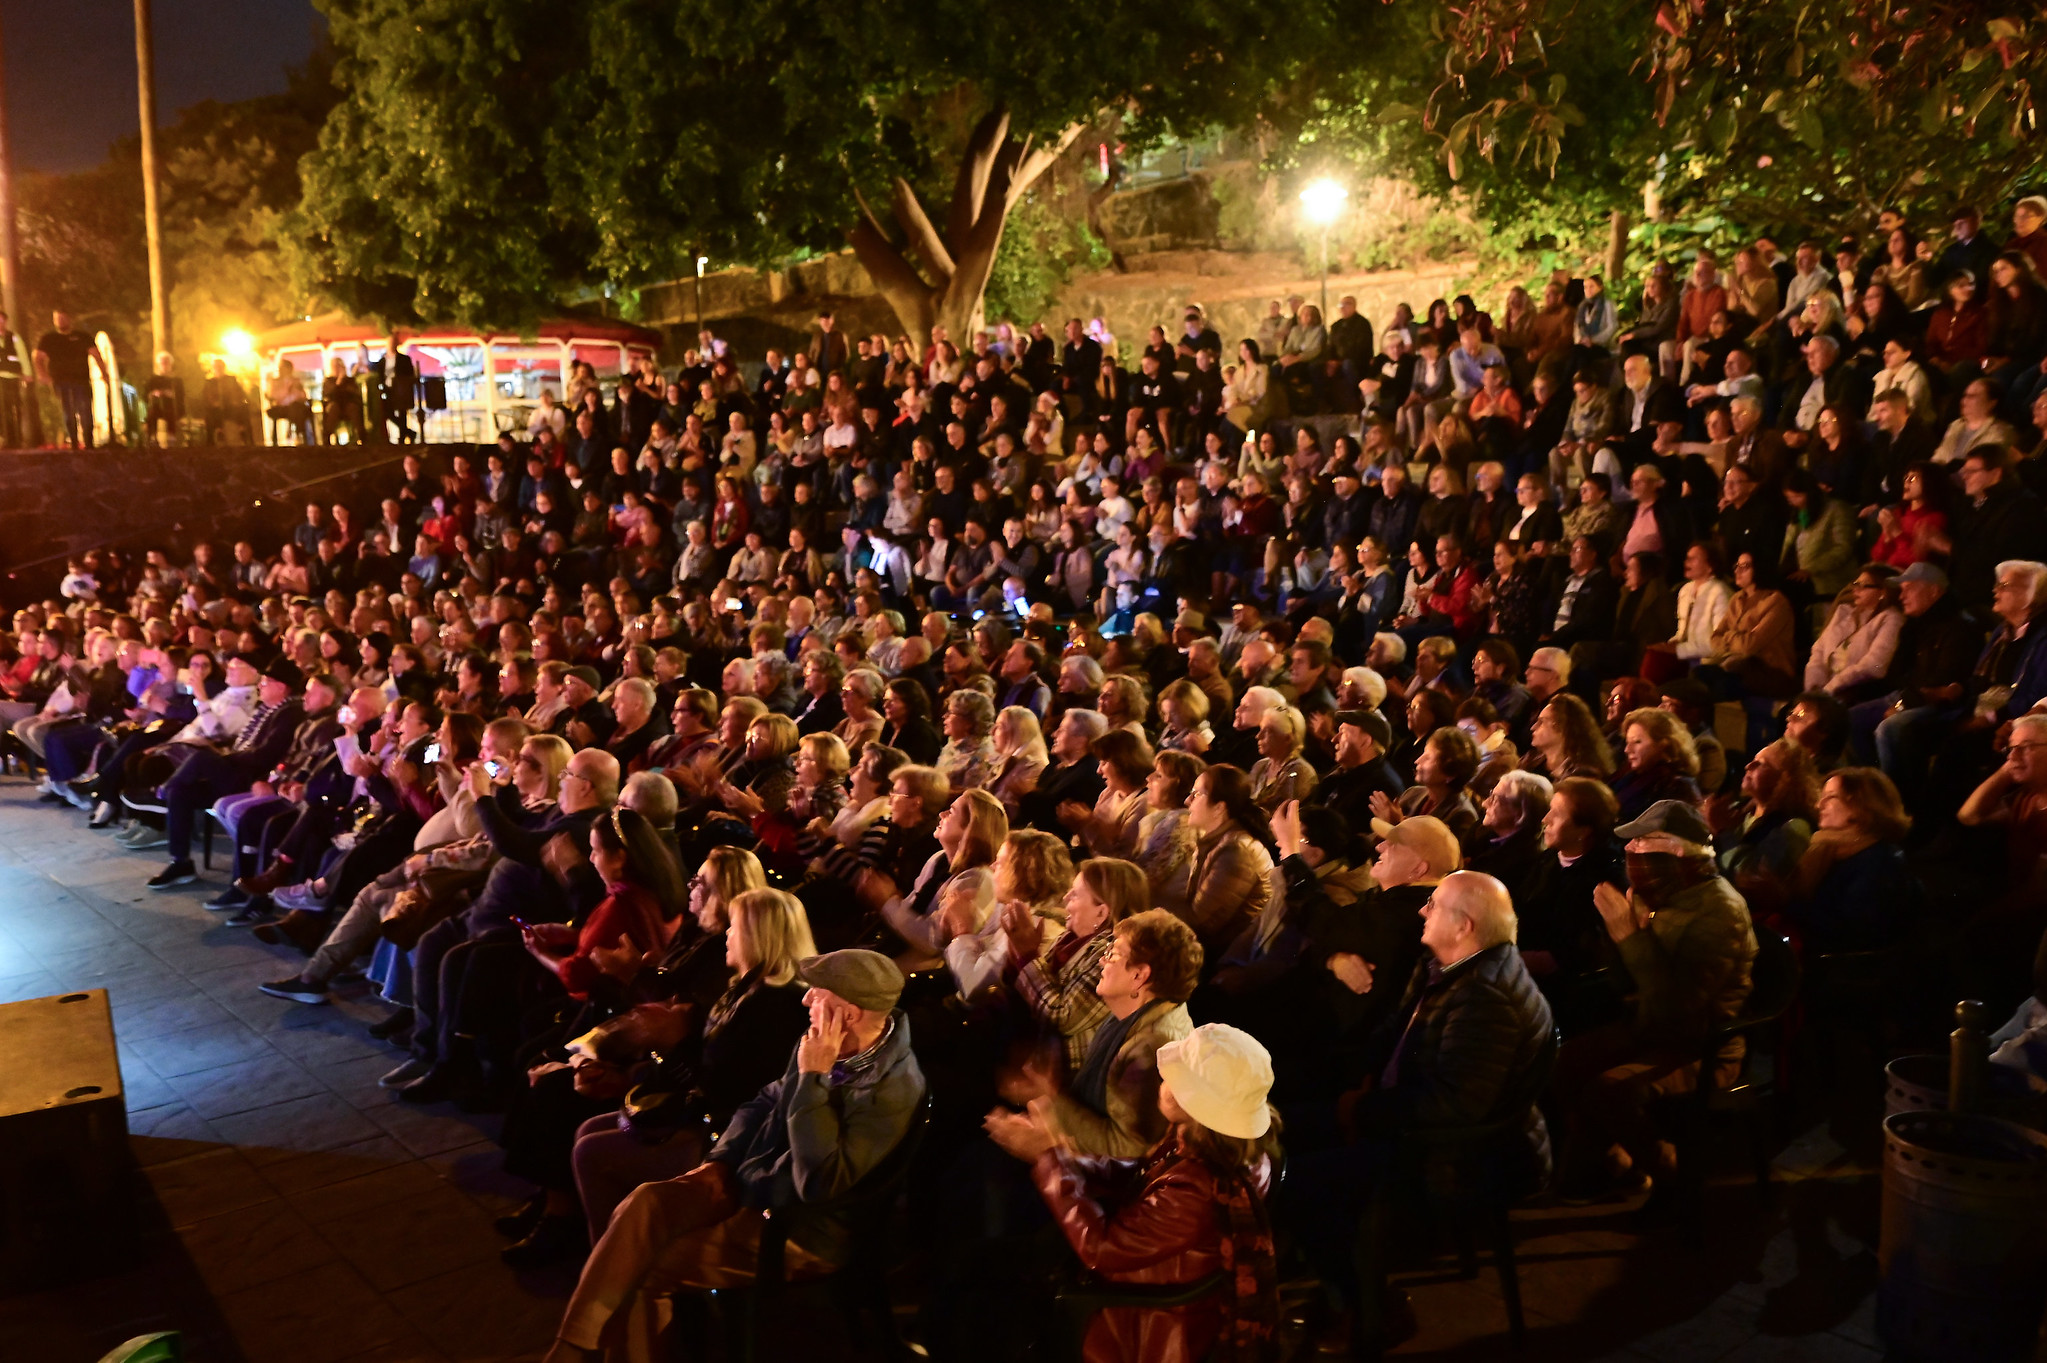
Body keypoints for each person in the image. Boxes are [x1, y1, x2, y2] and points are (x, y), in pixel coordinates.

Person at [542, 949, 925, 1363]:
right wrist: (721, 1161)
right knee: (647, 1199)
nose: (805, 999)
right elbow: (763, 1101)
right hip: (749, 1180)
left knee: (644, 1271)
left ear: (847, 1014)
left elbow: (817, 1182)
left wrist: (814, 1078)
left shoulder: (891, 1091)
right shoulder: (823, 1041)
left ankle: (580, 1350)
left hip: (798, 1227)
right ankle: (572, 1347)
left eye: (818, 993)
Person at [1281, 870, 1553, 1353]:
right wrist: (1357, 1084)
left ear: (1465, 925)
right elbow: (1389, 1036)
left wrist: (1359, 1110)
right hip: (1407, 1118)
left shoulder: (1484, 996)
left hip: (1461, 1156)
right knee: (1280, 1129)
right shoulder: (1448, 965)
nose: (1421, 911)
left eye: (1433, 905)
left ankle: (1367, 1310)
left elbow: (1452, 1107)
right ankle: (1334, 1282)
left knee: (1296, 1182)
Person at [989, 1023, 1282, 1363]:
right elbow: (1139, 1172)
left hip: (1137, 1312)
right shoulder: (1212, 1142)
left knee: (984, 1284)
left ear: (1200, 1104)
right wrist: (1061, 1154)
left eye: (1178, 1080)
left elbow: (1102, 1249)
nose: (1164, 1081)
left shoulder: (1198, 1186)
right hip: (1139, 1275)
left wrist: (1045, 1159)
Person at [1552, 799, 1756, 1205]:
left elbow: (1678, 1011)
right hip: (1649, 1026)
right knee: (1565, 1062)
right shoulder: (1660, 895)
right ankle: (1612, 1167)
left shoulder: (1720, 911)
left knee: (1608, 1090)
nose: (1633, 852)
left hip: (1701, 1045)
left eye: (1646, 843)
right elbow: (1629, 984)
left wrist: (1630, 936)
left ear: (1679, 852)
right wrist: (1613, 939)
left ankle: (1673, 1178)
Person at [33, 311, 107, 449]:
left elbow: (96, 354)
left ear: (69, 319)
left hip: (81, 379)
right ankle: (73, 441)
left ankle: (88, 441)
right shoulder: (49, 338)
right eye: (57, 318)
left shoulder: (82, 337)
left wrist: (104, 373)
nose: (60, 321)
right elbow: (38, 357)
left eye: (63, 318)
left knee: (85, 409)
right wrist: (42, 374)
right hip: (60, 380)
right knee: (68, 410)